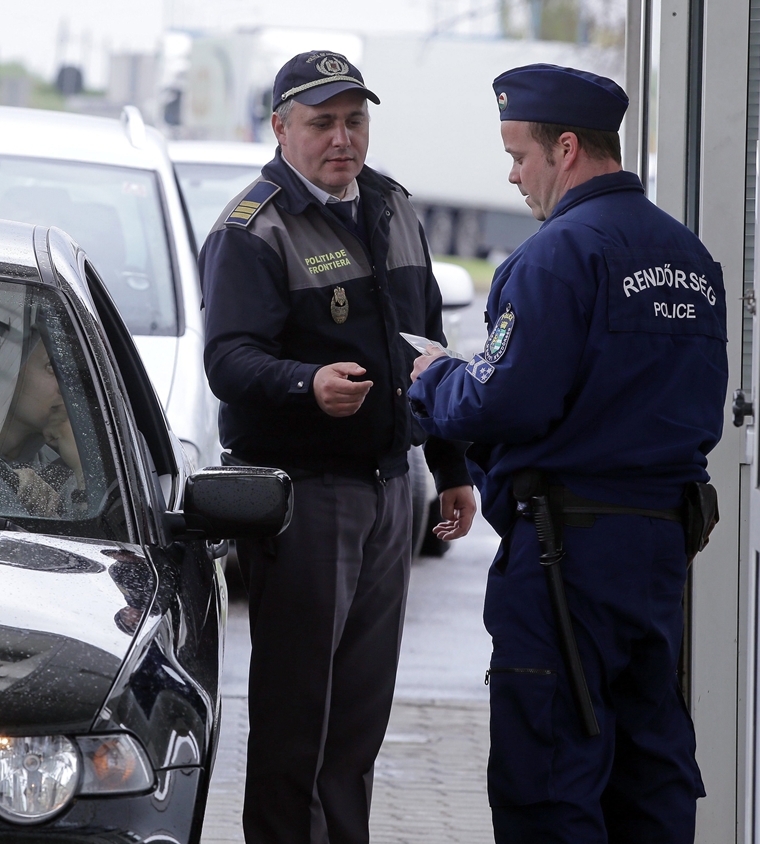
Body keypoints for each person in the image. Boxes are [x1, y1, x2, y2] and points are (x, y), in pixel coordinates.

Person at [407, 64, 727, 843]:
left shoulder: (554, 257)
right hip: (657, 552)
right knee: (648, 770)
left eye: (520, 154)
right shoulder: (691, 259)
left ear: (569, 148)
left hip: (564, 559)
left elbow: (503, 400)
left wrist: (434, 378)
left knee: (549, 775)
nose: (512, 175)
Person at [199, 50, 475, 844]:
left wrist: (450, 465)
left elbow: (430, 346)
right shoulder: (254, 228)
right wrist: (306, 383)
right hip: (306, 494)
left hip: (393, 486)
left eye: (355, 120)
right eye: (322, 123)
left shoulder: (391, 206)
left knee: (359, 718)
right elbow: (229, 361)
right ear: (281, 128)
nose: (342, 139)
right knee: (298, 719)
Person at [0, 333, 85, 518]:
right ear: (8, 367)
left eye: (73, 374)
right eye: (52, 368)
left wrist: (82, 467)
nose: (67, 386)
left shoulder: (60, 468)